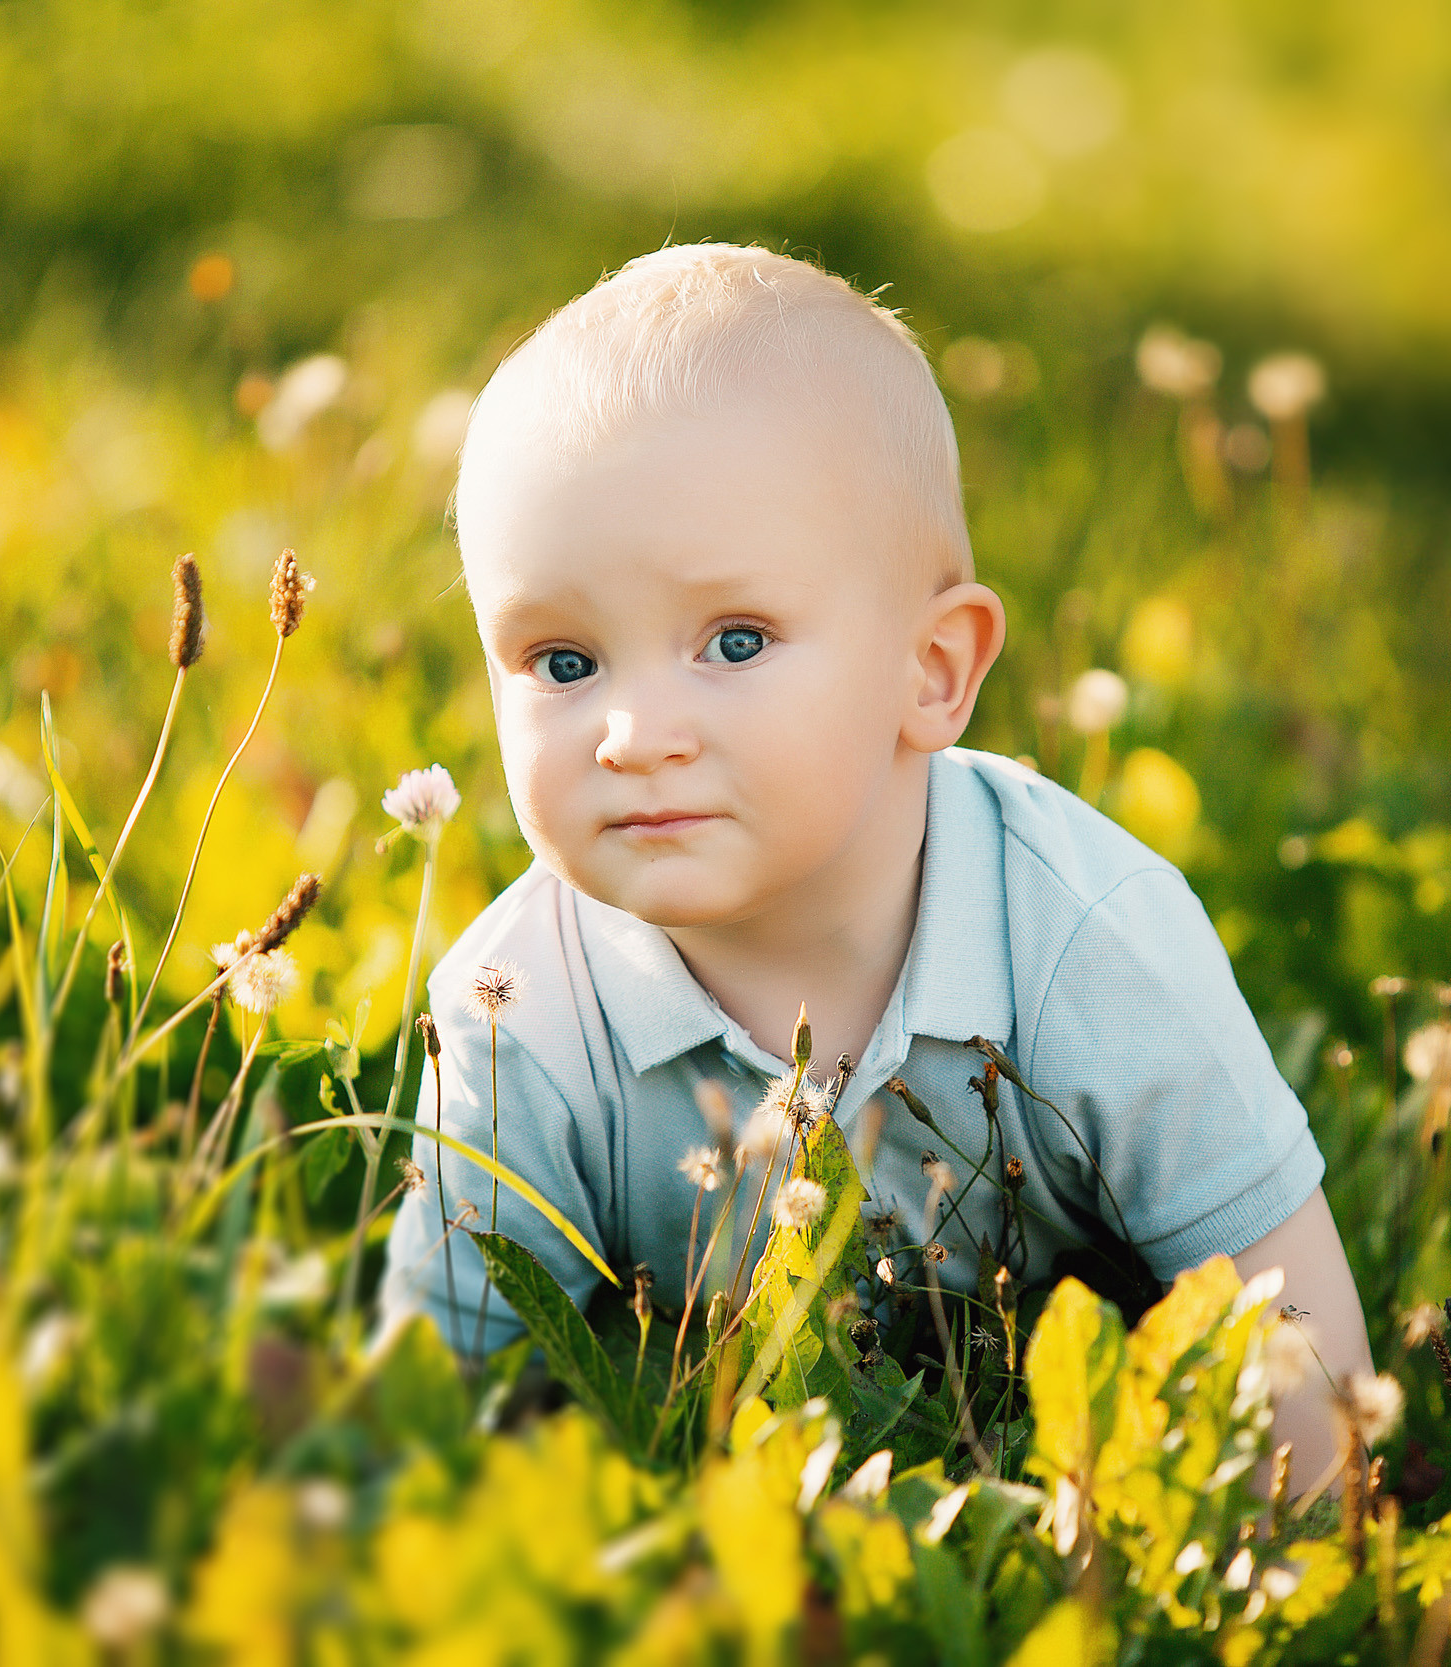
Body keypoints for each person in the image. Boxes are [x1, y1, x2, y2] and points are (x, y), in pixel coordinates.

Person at [379, 243, 1371, 1489]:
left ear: (932, 669)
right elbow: (425, 1398)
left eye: (734, 641)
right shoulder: (519, 1011)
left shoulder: (1089, 939)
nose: (632, 735)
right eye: (563, 663)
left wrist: (1290, 1550)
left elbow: (1285, 1328)